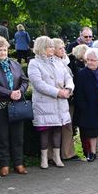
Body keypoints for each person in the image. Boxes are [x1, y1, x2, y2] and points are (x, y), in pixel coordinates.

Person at [0, 36, 29, 176]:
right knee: (2, 137)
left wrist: (19, 91)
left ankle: (19, 164)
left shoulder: (15, 64)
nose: (3, 52)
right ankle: (4, 165)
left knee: (18, 136)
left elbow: (24, 80)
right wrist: (9, 93)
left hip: (16, 106)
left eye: (5, 49)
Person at [28, 36, 74, 169]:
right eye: (50, 46)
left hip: (60, 103)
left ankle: (57, 157)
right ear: (42, 48)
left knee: (57, 130)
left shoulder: (58, 62)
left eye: (53, 46)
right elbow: (38, 84)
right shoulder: (34, 63)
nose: (53, 49)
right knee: (44, 131)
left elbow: (68, 77)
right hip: (44, 103)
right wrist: (58, 92)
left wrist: (68, 89)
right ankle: (44, 158)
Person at [51, 38, 77, 160]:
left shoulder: (66, 61)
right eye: (60, 48)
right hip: (56, 98)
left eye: (63, 47)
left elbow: (70, 78)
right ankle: (52, 155)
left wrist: (69, 89)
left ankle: (68, 153)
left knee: (68, 126)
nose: (63, 50)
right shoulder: (51, 63)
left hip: (68, 98)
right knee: (54, 127)